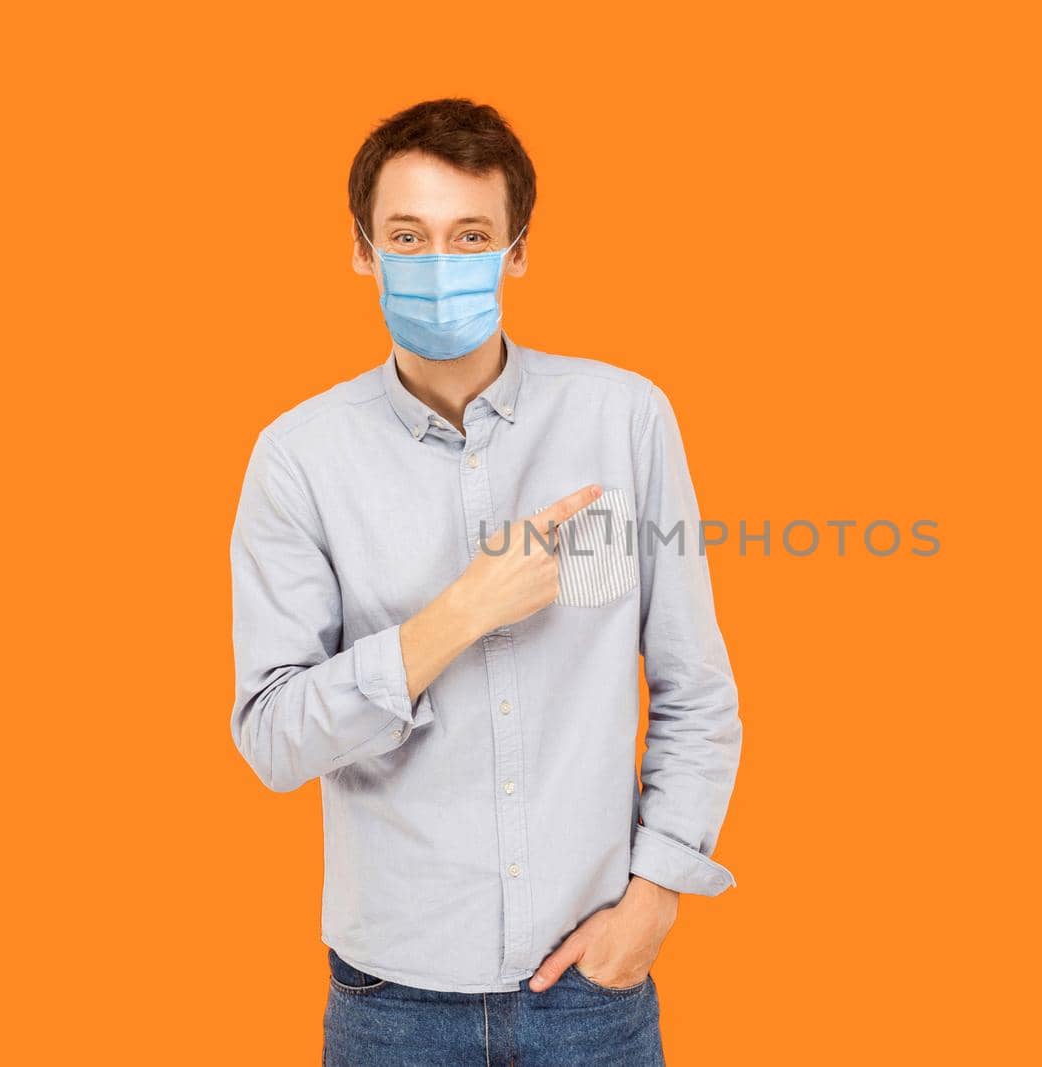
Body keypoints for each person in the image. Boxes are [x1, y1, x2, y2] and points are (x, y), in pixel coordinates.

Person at [227, 98, 742, 1066]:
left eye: (470, 236)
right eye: (406, 236)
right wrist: (459, 613)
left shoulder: (623, 419)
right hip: (391, 997)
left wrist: (657, 890)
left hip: (592, 982)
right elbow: (272, 738)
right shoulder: (298, 457)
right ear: (361, 251)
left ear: (516, 252)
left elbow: (695, 685)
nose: (437, 263)